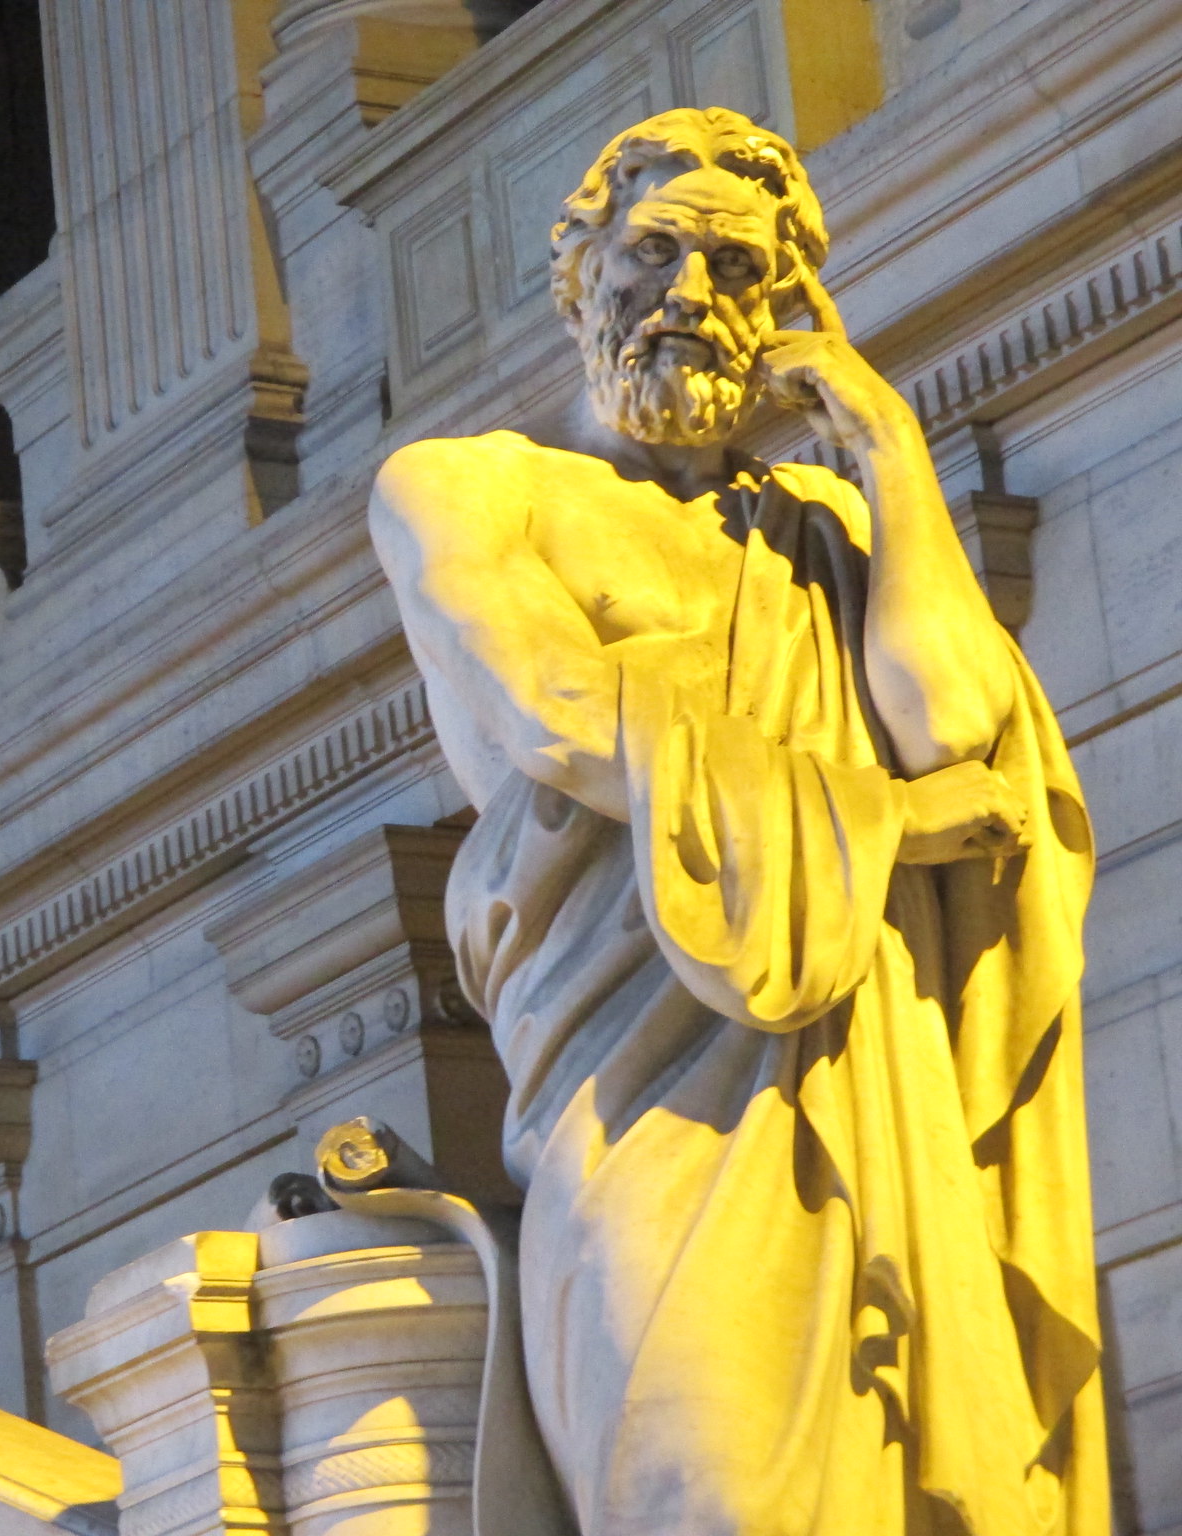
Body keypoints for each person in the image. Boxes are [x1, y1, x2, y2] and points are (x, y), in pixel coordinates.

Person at [367, 106, 1106, 1535]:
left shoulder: (825, 524)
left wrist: (885, 441)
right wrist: (890, 828)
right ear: (580, 272)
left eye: (735, 269)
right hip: (635, 1089)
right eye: (652, 255)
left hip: (857, 1080)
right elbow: (559, 718)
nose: (690, 301)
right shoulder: (472, 489)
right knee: (696, 1481)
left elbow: (956, 725)